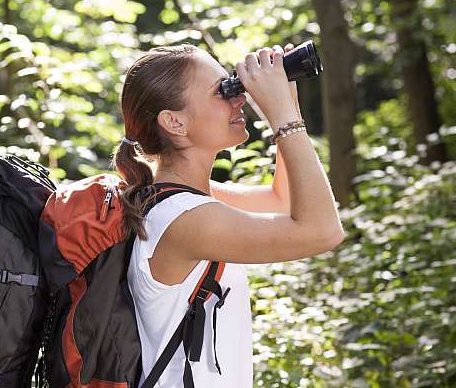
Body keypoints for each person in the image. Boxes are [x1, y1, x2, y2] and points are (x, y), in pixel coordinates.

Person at [114, 43, 345, 388]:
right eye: (222, 92)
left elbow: (283, 200)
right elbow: (324, 232)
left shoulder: (177, 199)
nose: (238, 99)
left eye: (232, 85)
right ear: (174, 121)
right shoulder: (183, 218)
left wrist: (287, 101)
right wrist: (283, 117)